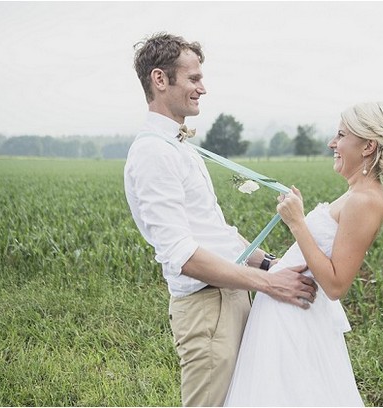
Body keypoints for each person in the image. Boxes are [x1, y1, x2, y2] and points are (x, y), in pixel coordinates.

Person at [123, 32, 317, 407]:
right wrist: (269, 283)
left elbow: (216, 234)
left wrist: (273, 264)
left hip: (230, 292)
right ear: (160, 80)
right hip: (206, 309)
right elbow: (183, 255)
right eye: (193, 78)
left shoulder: (180, 148)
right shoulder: (152, 154)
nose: (203, 88)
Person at [224, 102, 383, 407]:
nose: (332, 143)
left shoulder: (366, 200)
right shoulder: (355, 193)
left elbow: (336, 284)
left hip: (295, 319)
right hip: (283, 313)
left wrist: (298, 223)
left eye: (341, 135)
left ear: (368, 146)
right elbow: (315, 258)